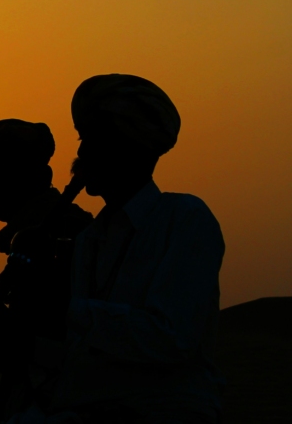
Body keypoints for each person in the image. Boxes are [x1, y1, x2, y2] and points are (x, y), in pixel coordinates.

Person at [47, 74, 225, 424]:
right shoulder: (89, 240)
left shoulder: (185, 218)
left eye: (94, 139)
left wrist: (68, 309)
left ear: (131, 147)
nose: (82, 152)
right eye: (82, 138)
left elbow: (172, 338)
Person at [0, 119, 93, 420]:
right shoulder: (31, 236)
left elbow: (81, 351)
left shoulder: (71, 235)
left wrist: (12, 341)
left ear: (35, 175)